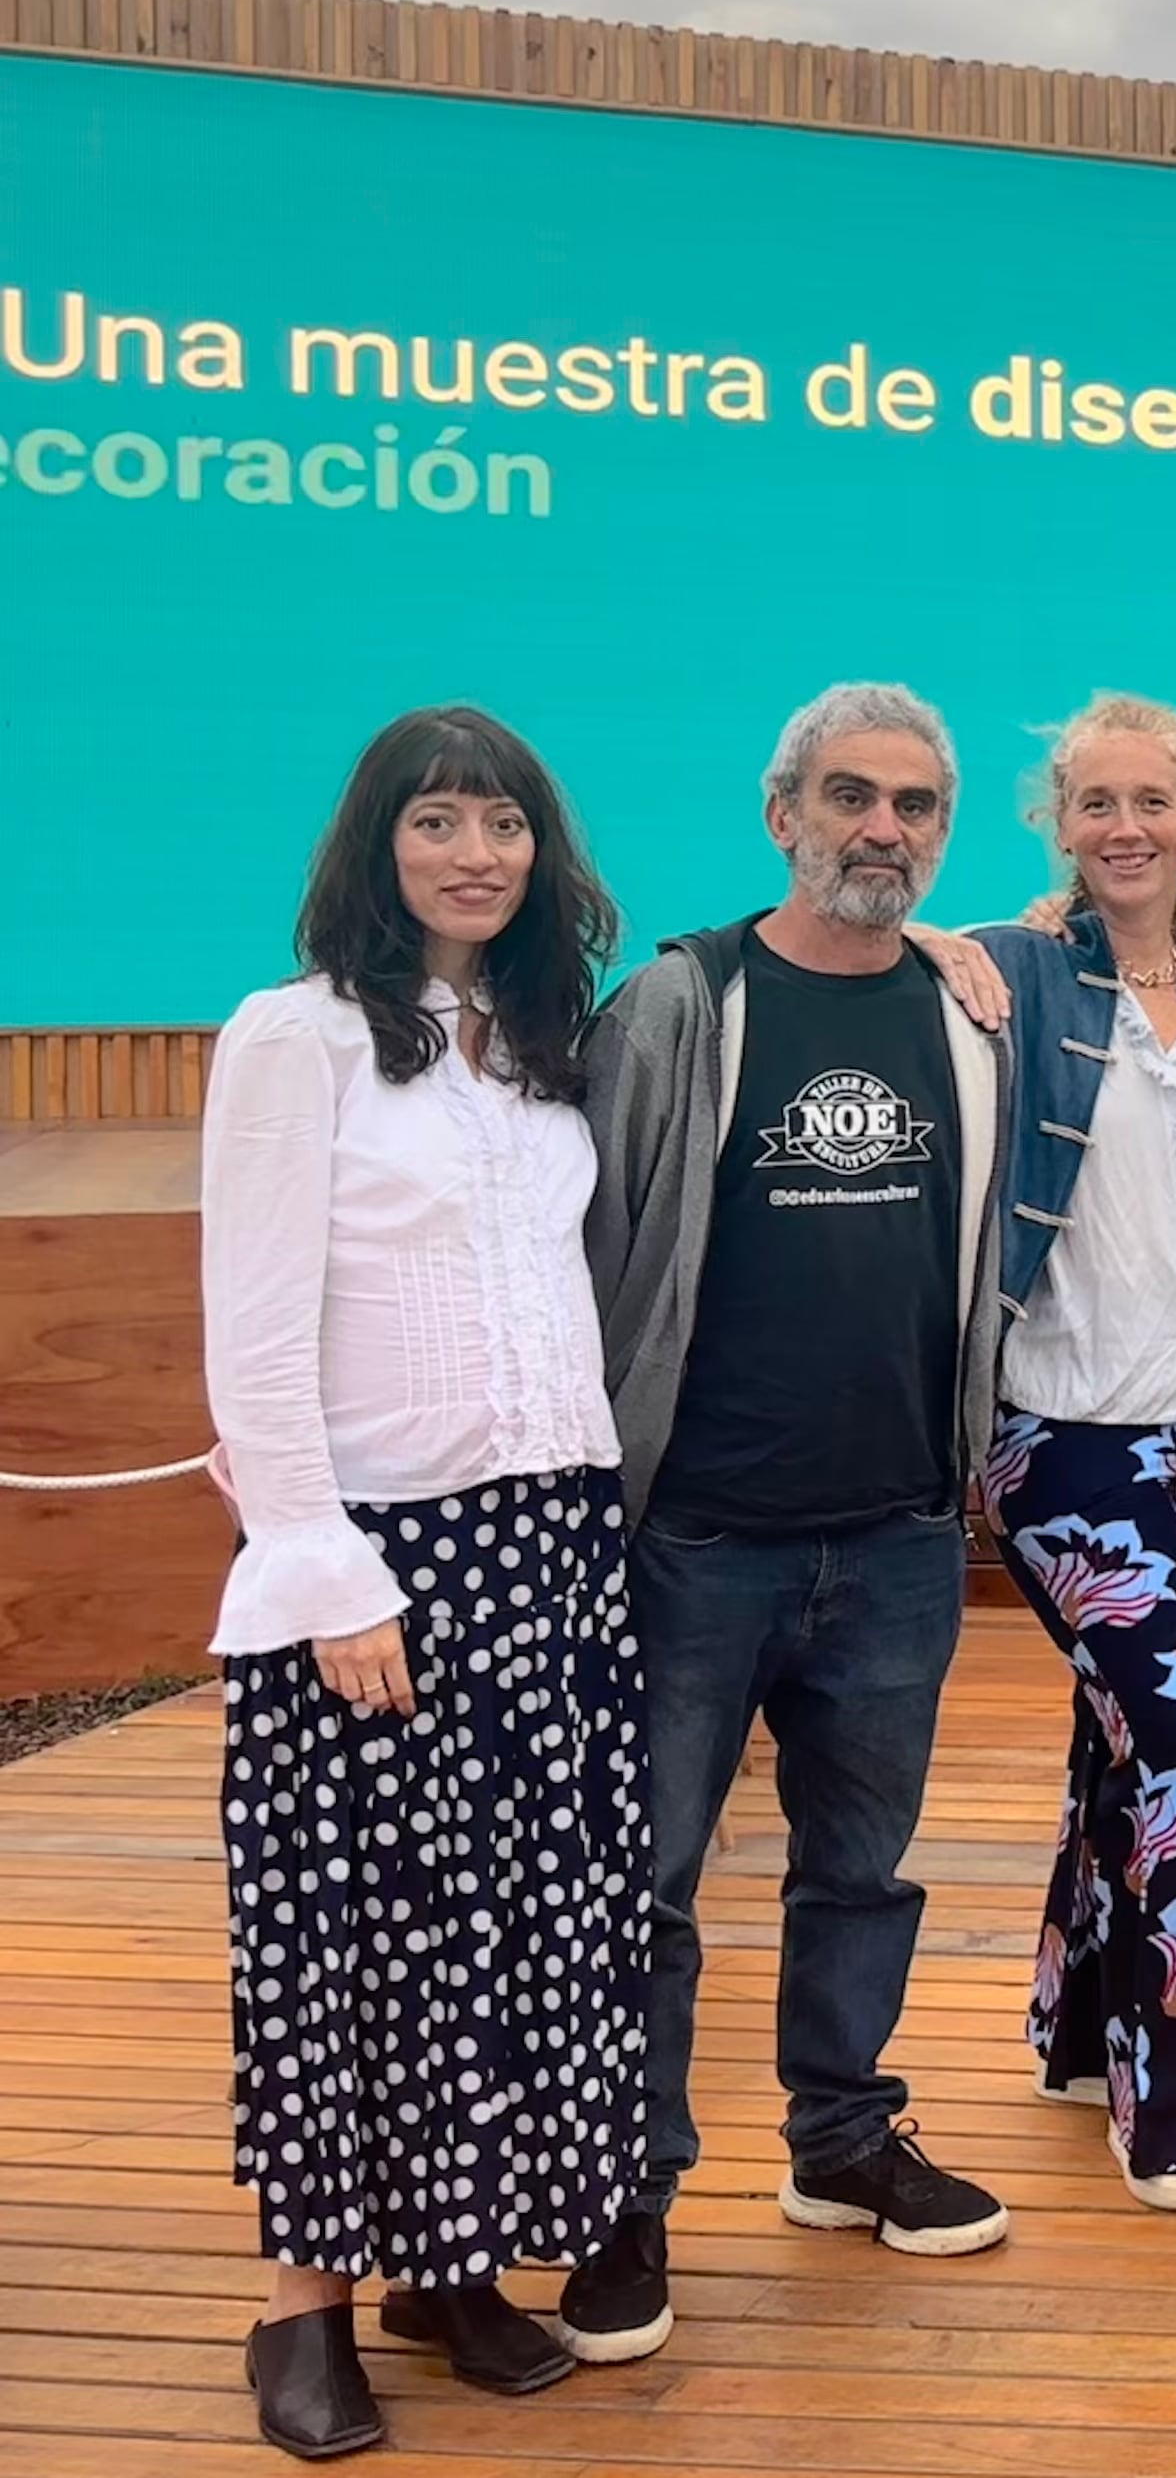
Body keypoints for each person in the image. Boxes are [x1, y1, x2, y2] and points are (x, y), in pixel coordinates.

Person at [202, 709, 641, 2460]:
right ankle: (301, 2309)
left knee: (518, 1930)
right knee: (347, 1942)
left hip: (550, 1533)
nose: (477, 851)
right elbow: (250, 1329)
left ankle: (448, 2268)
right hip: (378, 1548)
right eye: (438, 819)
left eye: (507, 822)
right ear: (375, 844)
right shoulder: (291, 1040)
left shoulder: (541, 1044)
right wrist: (324, 1565)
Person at [565, 682, 1013, 2364]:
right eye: (849, 795)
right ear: (783, 813)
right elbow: (590, 1256)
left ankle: (840, 2140)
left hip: (898, 1531)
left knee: (860, 1870)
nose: (880, 826)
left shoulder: (968, 1009)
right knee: (649, 1886)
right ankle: (629, 2191)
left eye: (912, 803)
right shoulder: (682, 1001)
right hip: (695, 1540)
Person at [966, 695, 1176, 2209]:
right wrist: (938, 944)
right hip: (1062, 1417)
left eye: (1152, 799)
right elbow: (877, 950)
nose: (1125, 826)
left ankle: (1074, 2016)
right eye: (1094, 802)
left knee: (1128, 1731)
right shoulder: (1017, 970)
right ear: (1059, 821)